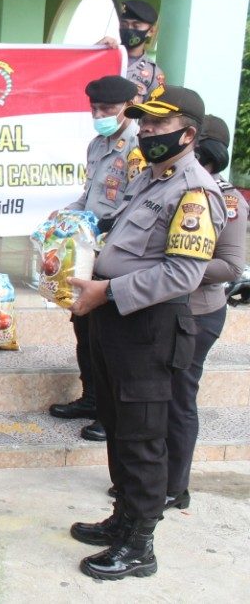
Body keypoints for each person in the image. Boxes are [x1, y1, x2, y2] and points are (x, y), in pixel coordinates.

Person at [69, 86, 224, 580]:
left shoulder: (193, 191)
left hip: (149, 328)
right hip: (115, 321)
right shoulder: (151, 178)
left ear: (188, 134)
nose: (147, 132)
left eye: (158, 125)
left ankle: (140, 545)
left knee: (142, 436)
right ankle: (122, 519)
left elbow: (183, 274)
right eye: (144, 124)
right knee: (117, 426)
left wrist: (108, 291)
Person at [48, 75, 141, 443]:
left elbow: (134, 203)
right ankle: (90, 398)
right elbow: (89, 197)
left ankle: (108, 410)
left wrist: (103, 224)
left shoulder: (137, 147)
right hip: (89, 250)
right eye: (95, 109)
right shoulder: (98, 144)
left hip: (117, 251)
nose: (100, 115)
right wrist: (65, 214)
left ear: (128, 107)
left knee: (106, 337)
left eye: (108, 109)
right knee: (83, 326)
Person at [165, 114, 247, 511]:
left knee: (178, 399)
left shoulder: (227, 200)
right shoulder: (173, 187)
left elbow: (231, 267)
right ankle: (150, 479)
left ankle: (174, 487)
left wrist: (173, 267)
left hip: (197, 313)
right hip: (164, 308)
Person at [98, 0, 165, 103]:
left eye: (136, 26)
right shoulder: (103, 57)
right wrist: (96, 51)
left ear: (151, 31)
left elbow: (152, 109)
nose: (129, 29)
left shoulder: (154, 74)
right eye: (124, 25)